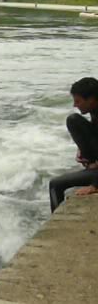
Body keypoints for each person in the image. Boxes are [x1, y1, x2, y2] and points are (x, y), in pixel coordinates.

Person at [49, 77, 98, 212]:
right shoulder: (95, 110)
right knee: (74, 120)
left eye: (78, 101)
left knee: (55, 185)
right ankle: (91, 163)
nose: (75, 105)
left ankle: (56, 226)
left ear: (92, 99)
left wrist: (94, 186)